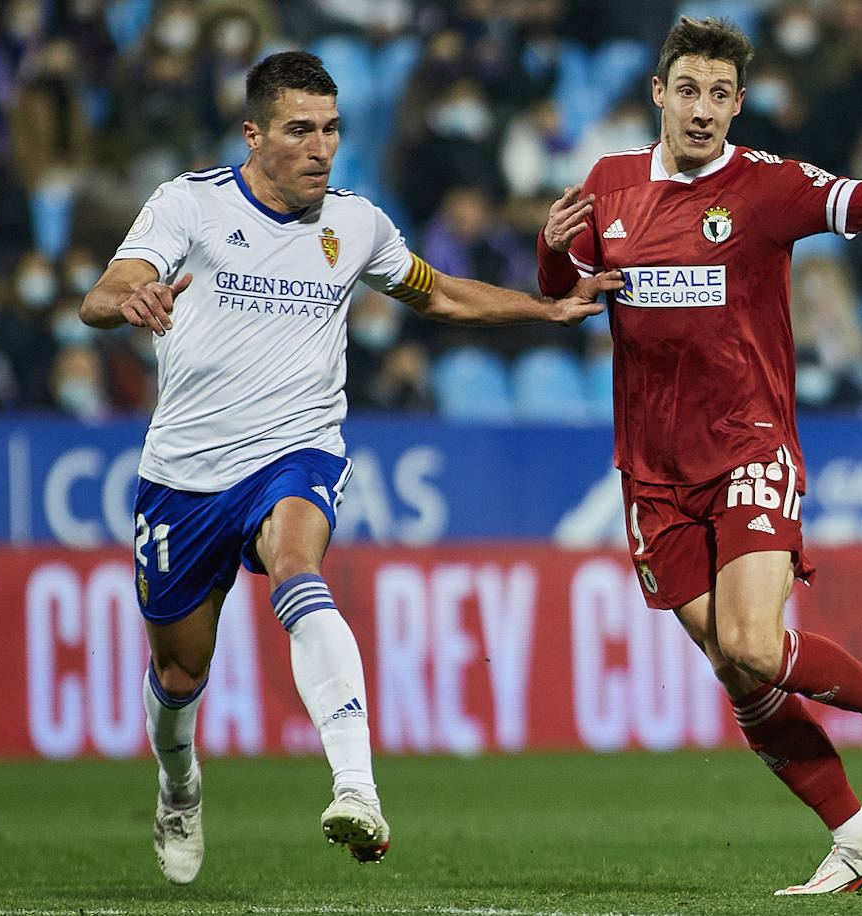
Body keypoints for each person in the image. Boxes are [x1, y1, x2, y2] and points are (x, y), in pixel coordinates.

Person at [80, 50, 615, 886]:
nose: (320, 147)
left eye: (331, 129)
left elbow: (434, 292)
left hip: (298, 450)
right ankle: (178, 784)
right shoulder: (190, 204)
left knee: (298, 569)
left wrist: (542, 307)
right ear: (253, 133)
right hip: (185, 474)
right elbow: (103, 292)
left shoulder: (357, 223)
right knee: (180, 672)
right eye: (300, 130)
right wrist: (132, 300)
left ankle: (357, 788)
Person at [536, 17, 862, 895]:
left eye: (721, 95)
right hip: (650, 468)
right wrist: (550, 247)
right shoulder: (608, 186)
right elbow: (564, 295)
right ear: (659, 93)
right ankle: (861, 844)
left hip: (749, 444)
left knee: (756, 645)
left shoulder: (768, 187)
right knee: (735, 669)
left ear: (739, 104)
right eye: (689, 91)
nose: (703, 110)